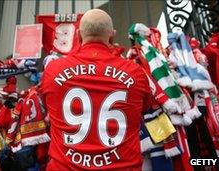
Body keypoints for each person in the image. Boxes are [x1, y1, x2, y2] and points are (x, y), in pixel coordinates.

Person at [41, 9, 158, 170]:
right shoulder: (135, 72)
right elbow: (145, 108)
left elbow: (48, 107)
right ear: (112, 36)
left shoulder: (53, 71)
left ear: (79, 36)